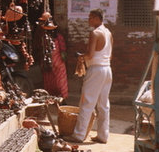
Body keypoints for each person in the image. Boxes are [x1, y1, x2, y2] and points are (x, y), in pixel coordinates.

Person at [68, 9, 113, 144]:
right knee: (103, 104)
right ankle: (103, 135)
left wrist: (81, 57)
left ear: (97, 18)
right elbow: (109, 55)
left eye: (91, 18)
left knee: (87, 102)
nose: (89, 20)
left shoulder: (95, 33)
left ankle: (79, 135)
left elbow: (91, 55)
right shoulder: (108, 33)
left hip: (96, 70)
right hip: (107, 69)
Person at [41, 25, 69, 100]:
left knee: (52, 80)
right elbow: (63, 49)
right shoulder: (58, 37)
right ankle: (60, 97)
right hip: (56, 62)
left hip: (52, 62)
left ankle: (54, 97)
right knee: (59, 80)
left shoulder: (44, 37)